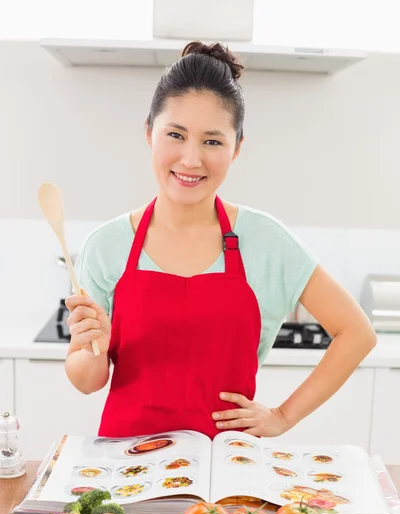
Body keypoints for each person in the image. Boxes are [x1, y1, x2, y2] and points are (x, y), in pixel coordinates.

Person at [65, 41, 377, 441]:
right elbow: (89, 381)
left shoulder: (266, 241)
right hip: (128, 470)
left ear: (237, 148)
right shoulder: (106, 245)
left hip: (229, 469)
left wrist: (283, 415)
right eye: (175, 134)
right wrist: (92, 345)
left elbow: (357, 333)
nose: (191, 159)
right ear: (148, 133)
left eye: (212, 141)